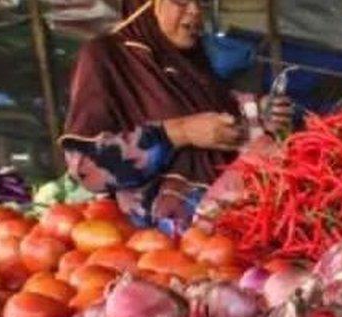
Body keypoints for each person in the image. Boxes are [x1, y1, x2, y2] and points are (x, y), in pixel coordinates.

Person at [61, 0, 290, 232]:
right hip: (155, 244)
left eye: (201, 2)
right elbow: (85, 165)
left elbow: (213, 115)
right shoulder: (107, 57)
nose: (195, 10)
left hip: (231, 229)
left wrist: (256, 114)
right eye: (181, 1)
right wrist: (179, 133)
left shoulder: (192, 59)